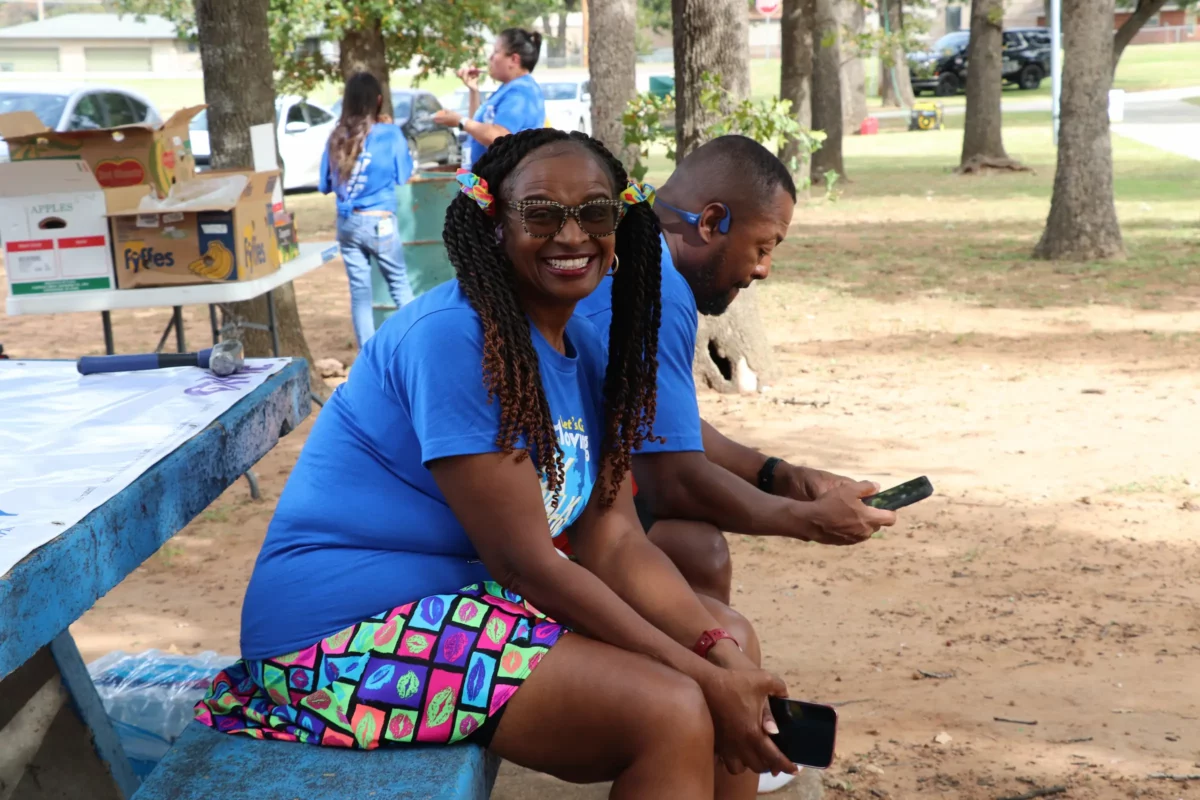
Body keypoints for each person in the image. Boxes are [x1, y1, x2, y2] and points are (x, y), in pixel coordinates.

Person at [195, 128, 796, 799]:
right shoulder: (456, 339)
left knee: (732, 641)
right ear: (494, 226)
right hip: (336, 639)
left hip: (464, 609)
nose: (572, 235)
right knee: (672, 707)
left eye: (595, 213)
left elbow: (617, 541)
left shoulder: (590, 351)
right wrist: (703, 675)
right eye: (540, 213)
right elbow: (527, 564)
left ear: (620, 226)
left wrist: (714, 650)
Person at [575, 136, 898, 791]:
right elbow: (674, 479)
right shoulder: (650, 282)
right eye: (765, 245)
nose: (763, 270)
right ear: (714, 220)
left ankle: (721, 746)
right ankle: (721, 739)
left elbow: (666, 428)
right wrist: (807, 520)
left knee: (700, 556)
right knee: (729, 638)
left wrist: (777, 473)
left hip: (581, 514)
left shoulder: (647, 266)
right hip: (540, 537)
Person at [319, 72, 414, 349]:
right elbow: (403, 175)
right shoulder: (389, 134)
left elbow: (325, 185)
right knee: (399, 285)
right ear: (379, 101)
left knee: (360, 294)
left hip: (347, 225)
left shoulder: (336, 136)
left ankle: (368, 357)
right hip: (379, 222)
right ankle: (419, 343)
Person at [432, 28, 546, 169]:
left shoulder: (521, 92)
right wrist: (474, 91)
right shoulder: (507, 89)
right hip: (478, 183)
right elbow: (478, 128)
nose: (490, 58)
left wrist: (460, 121)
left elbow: (499, 137)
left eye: (496, 52)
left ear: (514, 59)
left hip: (499, 184)